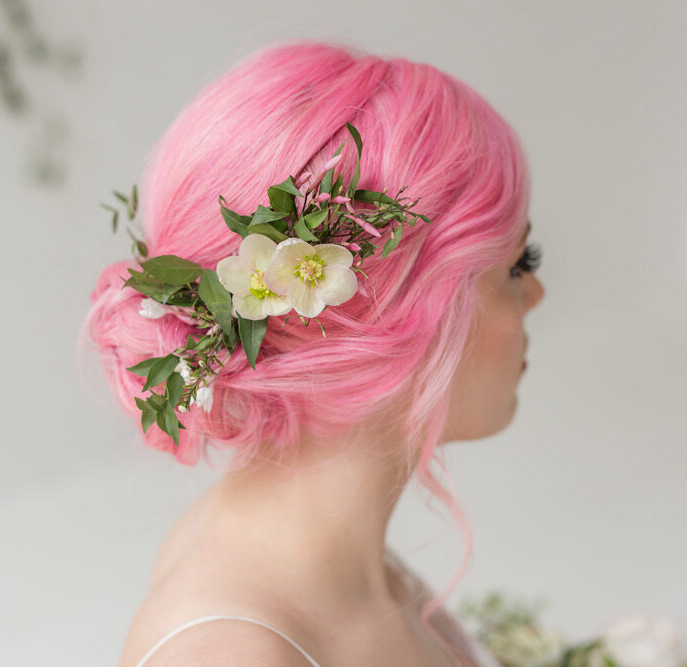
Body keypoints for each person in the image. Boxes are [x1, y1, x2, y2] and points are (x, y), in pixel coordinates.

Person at [86, 40, 544, 666]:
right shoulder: (231, 656)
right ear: (395, 318)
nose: (537, 294)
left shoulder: (332, 563)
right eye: (517, 265)